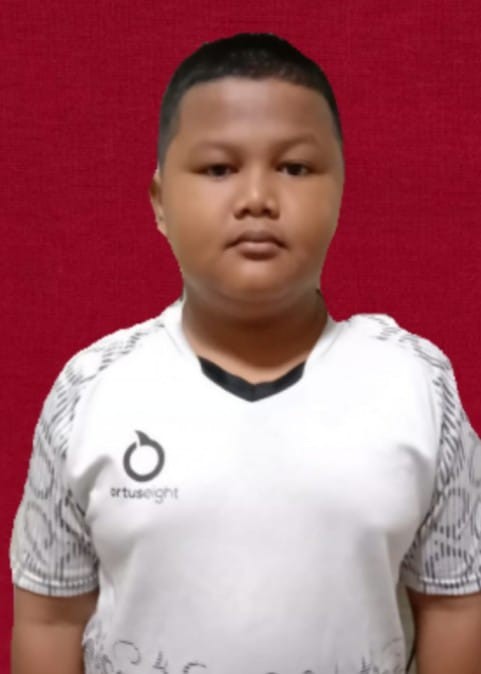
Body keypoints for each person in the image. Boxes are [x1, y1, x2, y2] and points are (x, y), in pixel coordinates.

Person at [9, 31, 481, 674]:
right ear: (160, 203)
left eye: (294, 168)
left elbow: (454, 605)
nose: (257, 197)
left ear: (340, 191)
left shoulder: (417, 386)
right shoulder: (92, 391)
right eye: (218, 169)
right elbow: (50, 618)